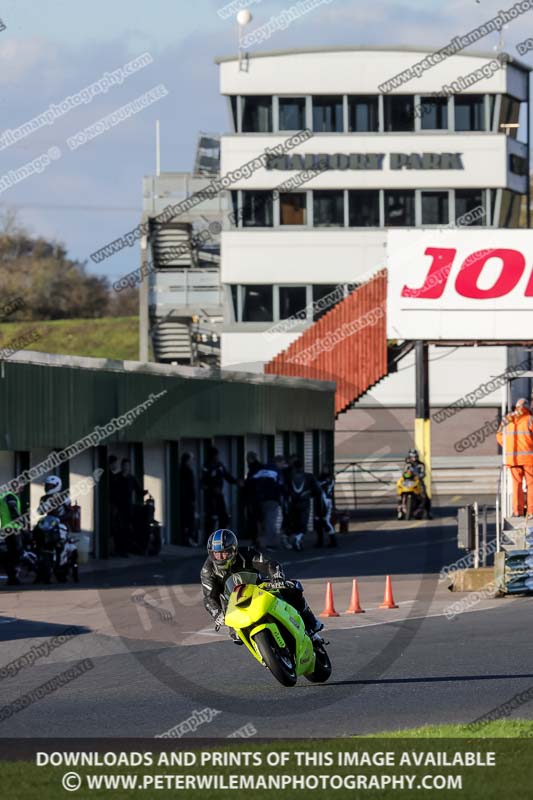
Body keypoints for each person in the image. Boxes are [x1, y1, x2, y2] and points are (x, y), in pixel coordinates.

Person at [200, 528, 323, 644]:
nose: (220, 557)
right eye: (216, 553)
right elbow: (209, 597)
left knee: (292, 587)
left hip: (259, 589)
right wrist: (217, 614)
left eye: (224, 553)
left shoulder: (246, 554)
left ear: (233, 550)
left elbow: (270, 563)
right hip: (233, 604)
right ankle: (266, 654)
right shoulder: (208, 570)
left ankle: (312, 625)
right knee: (237, 638)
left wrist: (277, 577)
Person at [497, 397, 533, 518]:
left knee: (516, 484)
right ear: (527, 407)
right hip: (529, 460)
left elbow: (499, 436)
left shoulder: (506, 419)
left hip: (513, 459)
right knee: (531, 485)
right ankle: (531, 511)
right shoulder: (530, 419)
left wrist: (509, 447)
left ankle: (517, 511)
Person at [282, 459, 323, 551]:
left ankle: (292, 538)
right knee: (303, 524)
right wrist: (310, 495)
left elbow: (284, 490)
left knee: (294, 523)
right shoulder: (309, 476)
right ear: (302, 467)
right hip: (304, 503)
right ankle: (298, 539)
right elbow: (318, 490)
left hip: (292, 503)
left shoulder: (289, 477)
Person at [201, 447, 237, 539]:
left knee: (224, 516)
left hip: (219, 494)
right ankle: (208, 537)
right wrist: (212, 488)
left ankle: (221, 535)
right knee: (211, 517)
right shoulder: (207, 466)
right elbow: (204, 481)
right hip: (210, 496)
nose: (217, 457)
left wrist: (236, 481)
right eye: (216, 455)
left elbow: (227, 476)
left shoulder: (220, 465)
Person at [251, 459, 285, 551]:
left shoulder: (260, 471)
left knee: (261, 521)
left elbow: (251, 482)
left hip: (258, 499)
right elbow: (281, 485)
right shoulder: (277, 471)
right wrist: (281, 499)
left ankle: (258, 541)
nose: (282, 466)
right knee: (271, 521)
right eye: (282, 464)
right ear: (278, 463)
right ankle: (270, 543)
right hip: (272, 499)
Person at [114, 459, 143, 556]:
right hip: (118, 507)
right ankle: (118, 549)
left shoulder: (132, 478)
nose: (125, 467)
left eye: (127, 465)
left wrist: (144, 493)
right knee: (118, 529)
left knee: (127, 529)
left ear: (129, 467)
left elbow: (139, 491)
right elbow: (112, 492)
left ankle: (125, 549)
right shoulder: (117, 477)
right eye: (124, 465)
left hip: (128, 507)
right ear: (121, 466)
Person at [0, 490, 23, 586]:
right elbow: (13, 511)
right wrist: (22, 523)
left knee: (10, 554)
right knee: (16, 553)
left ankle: (12, 578)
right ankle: (14, 578)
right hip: (13, 529)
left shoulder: (3, 497)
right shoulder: (10, 496)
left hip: (6, 529)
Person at [405, 448, 432, 519]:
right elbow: (404, 473)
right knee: (401, 490)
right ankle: (401, 506)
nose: (413, 458)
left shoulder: (421, 465)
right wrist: (406, 476)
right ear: (409, 457)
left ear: (417, 457)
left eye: (414, 457)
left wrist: (419, 476)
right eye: (412, 457)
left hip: (418, 482)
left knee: (425, 496)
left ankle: (428, 513)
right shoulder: (408, 465)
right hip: (409, 482)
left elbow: (423, 473)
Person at [243, 451, 262, 546]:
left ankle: (255, 538)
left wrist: (244, 485)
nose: (246, 461)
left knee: (253, 519)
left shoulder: (254, 469)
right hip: (259, 497)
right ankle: (256, 538)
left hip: (253, 498)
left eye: (247, 458)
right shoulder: (260, 468)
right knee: (257, 519)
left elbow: (251, 484)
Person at [179, 452, 198, 546]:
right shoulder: (188, 471)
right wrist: (193, 499)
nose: (192, 462)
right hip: (188, 500)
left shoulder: (181, 470)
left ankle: (185, 538)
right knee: (190, 520)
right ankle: (189, 539)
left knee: (185, 521)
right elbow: (190, 487)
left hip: (183, 499)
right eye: (191, 459)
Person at [315, 465, 337, 548]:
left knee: (326, 521)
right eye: (323, 468)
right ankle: (320, 541)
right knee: (317, 521)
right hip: (319, 502)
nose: (324, 469)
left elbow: (322, 486)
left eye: (326, 468)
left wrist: (318, 483)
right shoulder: (320, 477)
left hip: (326, 502)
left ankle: (333, 541)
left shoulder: (330, 478)